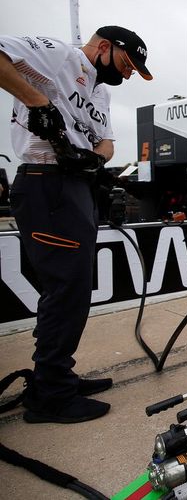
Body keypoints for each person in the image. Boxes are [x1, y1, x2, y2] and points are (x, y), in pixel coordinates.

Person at [0, 26, 152, 424]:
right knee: (66, 289)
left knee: (76, 288)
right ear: (104, 46)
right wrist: (37, 103)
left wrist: (94, 160)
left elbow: (108, 142)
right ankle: (49, 395)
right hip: (44, 183)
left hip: (76, 187)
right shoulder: (56, 54)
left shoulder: (101, 92)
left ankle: (55, 375)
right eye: (126, 63)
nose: (128, 73)